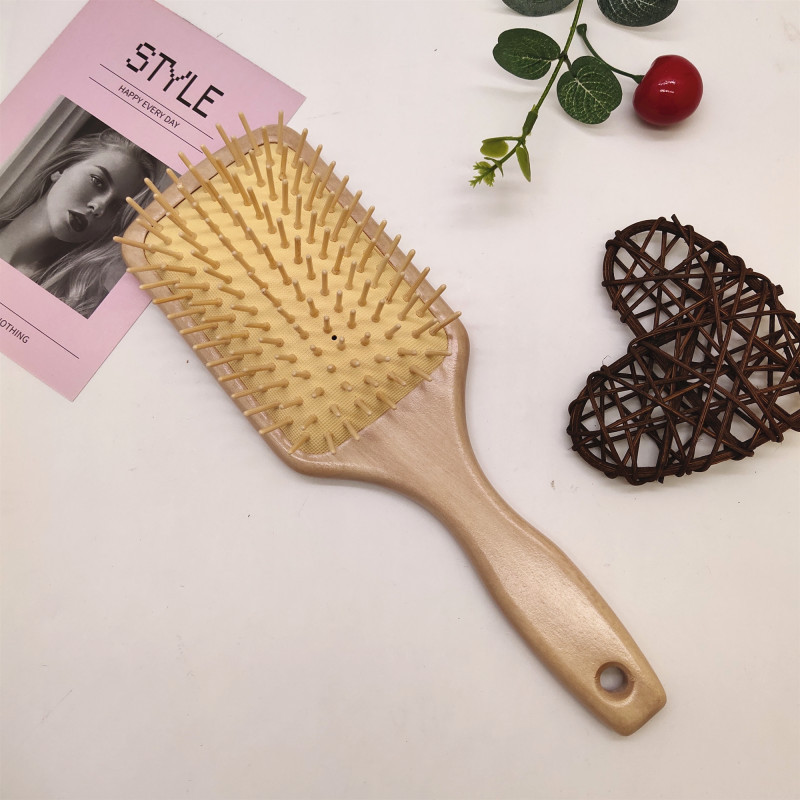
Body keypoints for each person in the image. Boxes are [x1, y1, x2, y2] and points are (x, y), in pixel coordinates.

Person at [0, 128, 159, 317]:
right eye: (97, 181)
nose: (99, 207)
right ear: (61, 169)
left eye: (116, 207)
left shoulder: (83, 305)